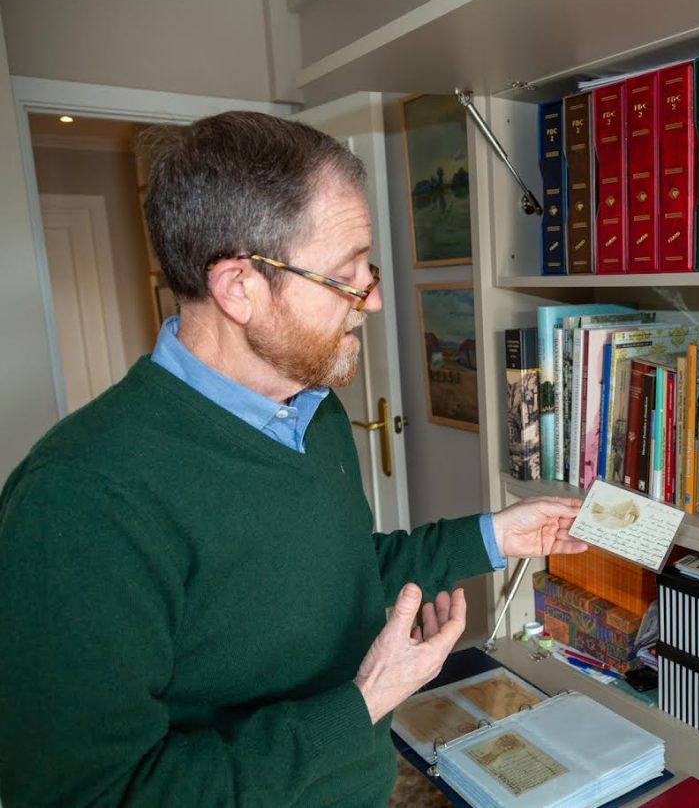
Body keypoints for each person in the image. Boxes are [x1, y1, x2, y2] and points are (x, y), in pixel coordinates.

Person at [0, 111, 585, 806]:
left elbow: (337, 574)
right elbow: (92, 797)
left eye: (367, 266)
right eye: (345, 276)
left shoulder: (314, 410)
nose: (370, 298)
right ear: (239, 287)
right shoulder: (80, 501)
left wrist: (494, 536)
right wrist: (364, 701)